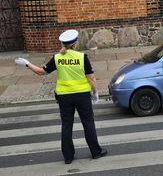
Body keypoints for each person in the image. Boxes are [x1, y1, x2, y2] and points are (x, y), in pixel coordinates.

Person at [15, 30, 107, 164]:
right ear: (75, 43)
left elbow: (41, 72)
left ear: (63, 43)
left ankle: (68, 157)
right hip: (82, 96)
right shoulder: (82, 57)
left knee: (66, 125)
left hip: (64, 97)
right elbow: (91, 78)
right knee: (88, 123)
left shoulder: (57, 58)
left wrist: (27, 64)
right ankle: (96, 152)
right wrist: (95, 92)